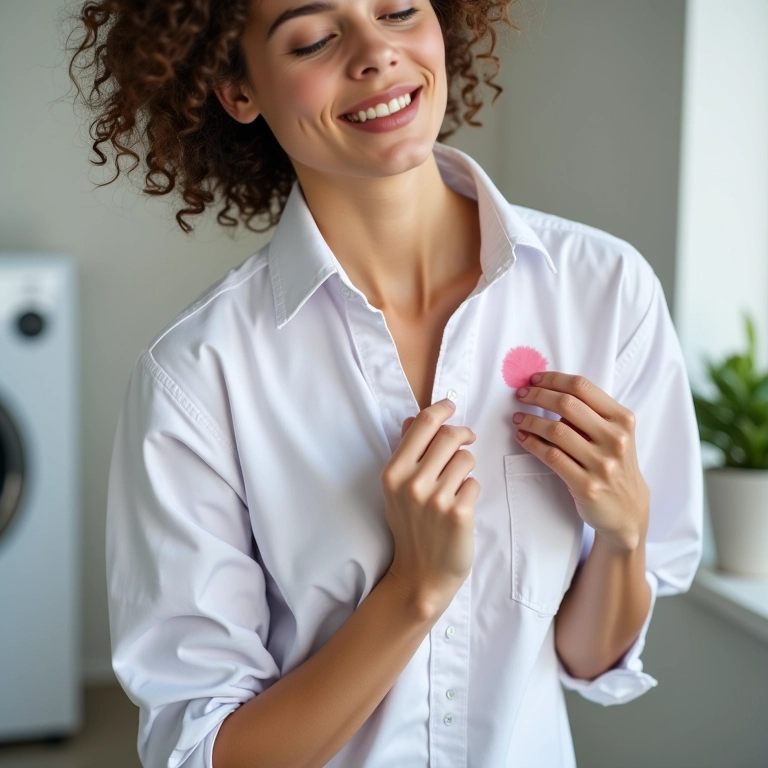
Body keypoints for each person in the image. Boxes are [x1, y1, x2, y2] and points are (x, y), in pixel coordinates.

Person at [68, 0, 703, 766]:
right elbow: (209, 751)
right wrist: (413, 592)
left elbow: (589, 659)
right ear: (237, 88)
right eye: (313, 39)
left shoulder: (605, 293)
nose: (376, 52)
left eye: (399, 9)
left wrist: (624, 534)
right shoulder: (197, 379)